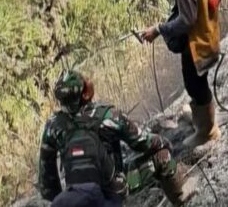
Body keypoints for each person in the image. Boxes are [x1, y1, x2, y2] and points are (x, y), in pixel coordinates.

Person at [39, 70, 186, 206]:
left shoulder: (52, 126)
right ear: (84, 93)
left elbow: (47, 183)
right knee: (162, 156)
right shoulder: (108, 115)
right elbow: (143, 142)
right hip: (112, 192)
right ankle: (180, 200)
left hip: (76, 198)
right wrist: (164, 143)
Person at [141, 0, 227, 149]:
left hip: (197, 43)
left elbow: (186, 21)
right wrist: (211, 8)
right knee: (198, 82)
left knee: (195, 84)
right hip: (210, 30)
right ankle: (200, 118)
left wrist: (159, 29)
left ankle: (207, 131)